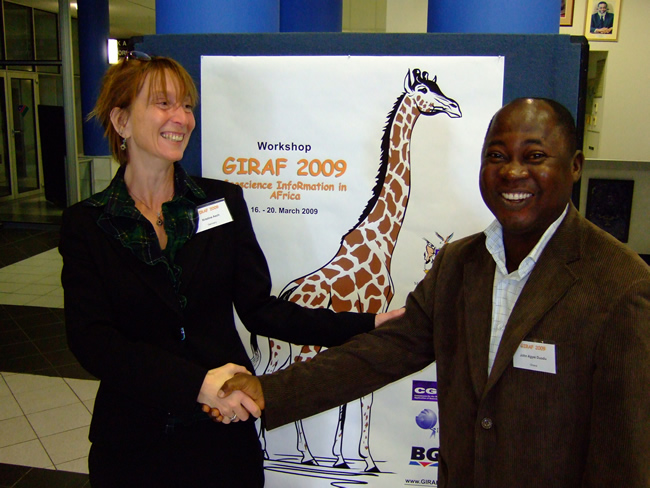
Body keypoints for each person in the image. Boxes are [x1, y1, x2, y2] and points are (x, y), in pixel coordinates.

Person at [217, 98, 650, 487]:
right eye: (496, 156)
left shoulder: (620, 284)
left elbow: (625, 451)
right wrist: (268, 391)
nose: (513, 172)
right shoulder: (457, 265)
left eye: (534, 156)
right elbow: (381, 352)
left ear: (574, 165)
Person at [59, 53, 397, 487]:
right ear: (121, 121)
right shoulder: (88, 223)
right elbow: (92, 340)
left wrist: (368, 323)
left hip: (221, 433)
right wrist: (194, 382)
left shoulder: (222, 203)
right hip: (132, 439)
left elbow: (260, 309)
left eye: (187, 105)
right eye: (164, 103)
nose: (182, 117)